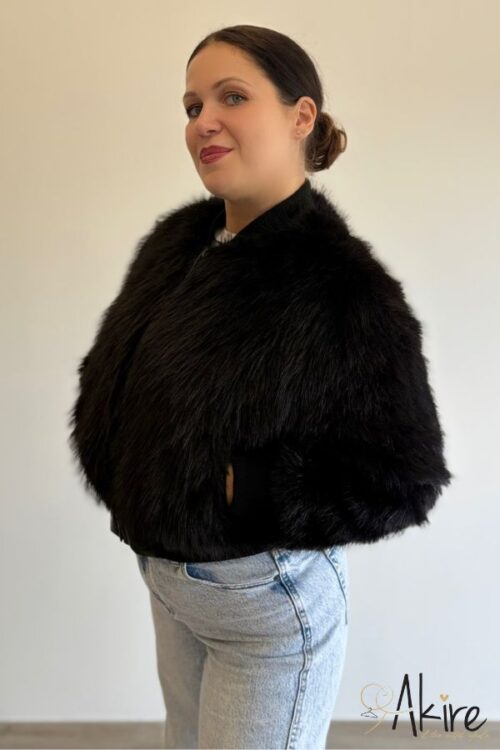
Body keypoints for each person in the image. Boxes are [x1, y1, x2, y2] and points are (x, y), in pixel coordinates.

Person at [67, 24, 453, 750]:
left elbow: (406, 475)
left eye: (232, 97)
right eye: (192, 106)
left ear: (301, 116)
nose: (202, 122)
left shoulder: (342, 284)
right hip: (172, 586)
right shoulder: (179, 245)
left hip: (267, 607)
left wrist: (251, 489)